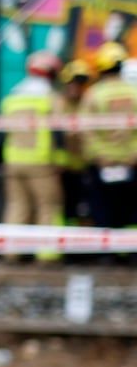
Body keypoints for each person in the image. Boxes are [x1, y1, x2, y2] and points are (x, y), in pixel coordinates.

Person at [0, 52, 64, 260]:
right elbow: (60, 130)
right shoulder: (50, 98)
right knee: (48, 207)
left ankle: (11, 253)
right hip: (41, 162)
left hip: (13, 160)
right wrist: (62, 158)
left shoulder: (12, 98)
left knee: (17, 205)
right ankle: (47, 255)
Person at [80, 41, 137, 230]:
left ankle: (106, 247)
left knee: (103, 210)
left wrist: (99, 155)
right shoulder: (134, 92)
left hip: (103, 161)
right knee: (130, 210)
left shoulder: (93, 94)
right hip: (131, 160)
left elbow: (86, 129)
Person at [54, 59, 92, 224]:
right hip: (64, 167)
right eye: (73, 83)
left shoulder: (87, 102)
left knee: (88, 209)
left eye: (81, 83)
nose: (77, 87)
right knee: (66, 209)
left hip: (86, 165)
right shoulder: (58, 104)